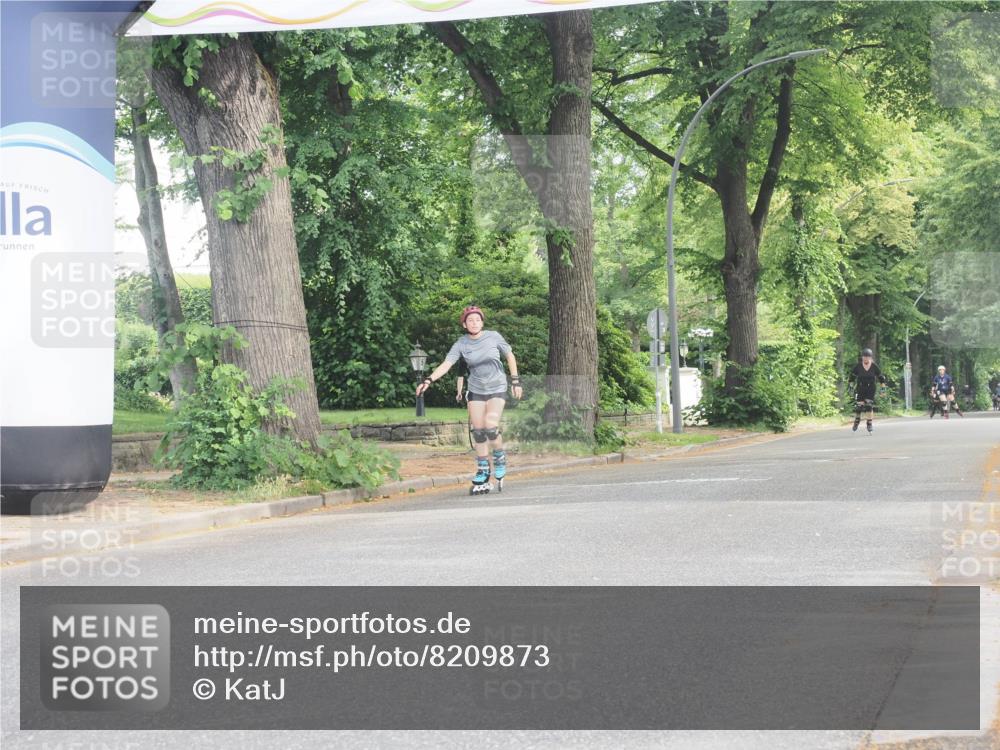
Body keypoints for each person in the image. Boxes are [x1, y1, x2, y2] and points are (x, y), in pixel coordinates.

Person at [416, 306, 522, 493]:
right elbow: (447, 364)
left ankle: (499, 456)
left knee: (490, 426)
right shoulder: (461, 343)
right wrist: (428, 380)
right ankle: (482, 468)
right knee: (479, 431)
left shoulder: (493, 336)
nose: (474, 323)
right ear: (464, 324)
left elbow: (510, 356)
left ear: (482, 322)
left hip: (497, 387)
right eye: (470, 320)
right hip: (476, 390)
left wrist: (515, 381)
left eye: (477, 320)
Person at [848, 348, 886, 433]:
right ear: (862, 357)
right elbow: (852, 378)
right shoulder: (858, 366)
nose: (866, 359)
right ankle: (857, 420)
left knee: (869, 405)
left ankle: (869, 423)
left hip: (871, 388)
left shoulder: (874, 366)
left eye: (868, 357)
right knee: (859, 407)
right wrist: (850, 387)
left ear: (870, 358)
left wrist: (883, 389)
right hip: (860, 388)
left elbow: (881, 378)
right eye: (864, 357)